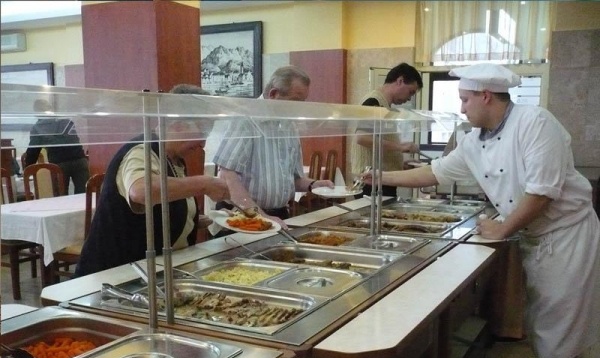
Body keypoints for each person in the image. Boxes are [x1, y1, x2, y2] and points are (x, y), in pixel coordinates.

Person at [364, 63, 600, 358]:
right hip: (537, 238)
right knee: (544, 328)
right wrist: (381, 178)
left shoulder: (535, 123)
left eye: (464, 99)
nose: (461, 108)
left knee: (560, 335)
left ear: (486, 96)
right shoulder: (476, 140)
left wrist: (502, 229)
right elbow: (436, 173)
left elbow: (542, 192)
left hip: (567, 238)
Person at [75, 84, 230, 277]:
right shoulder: (142, 150)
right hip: (114, 275)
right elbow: (141, 191)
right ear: (178, 124)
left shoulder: (174, 158)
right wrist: (206, 184)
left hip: (149, 271)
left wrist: (193, 219)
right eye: (203, 133)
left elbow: (162, 210)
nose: (203, 144)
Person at [212, 65, 334, 229]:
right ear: (273, 94)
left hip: (278, 214)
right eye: (295, 101)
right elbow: (227, 176)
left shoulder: (288, 124)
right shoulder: (246, 118)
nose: (299, 108)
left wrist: (313, 185)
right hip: (244, 216)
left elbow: (294, 179)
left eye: (303, 102)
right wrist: (259, 216)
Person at [350, 62, 423, 197]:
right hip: (371, 182)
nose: (409, 98)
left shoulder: (385, 106)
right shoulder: (374, 102)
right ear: (400, 81)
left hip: (381, 179)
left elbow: (379, 144)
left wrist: (398, 163)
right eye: (410, 92)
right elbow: (362, 138)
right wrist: (401, 147)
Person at [25, 98, 90, 194]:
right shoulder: (65, 120)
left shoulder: (37, 128)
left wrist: (27, 169)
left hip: (59, 164)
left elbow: (33, 152)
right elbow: (74, 139)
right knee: (84, 195)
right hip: (79, 160)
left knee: (61, 197)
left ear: (37, 113)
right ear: (51, 109)